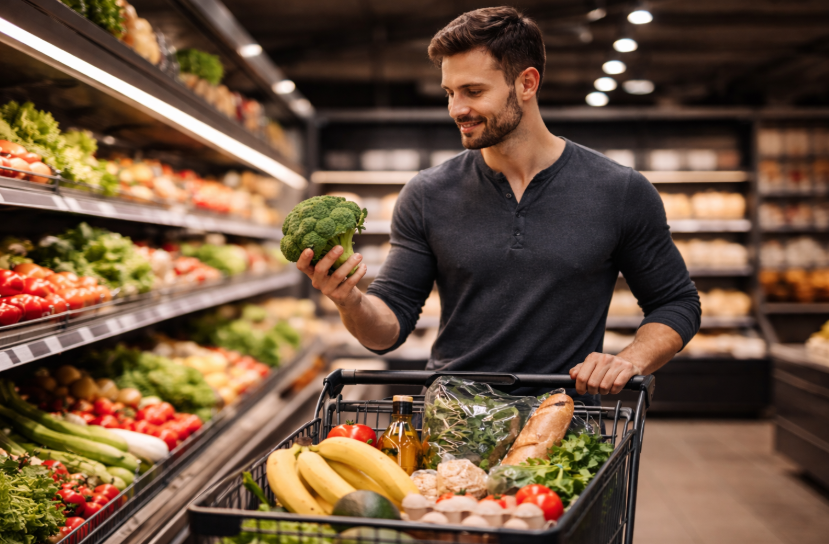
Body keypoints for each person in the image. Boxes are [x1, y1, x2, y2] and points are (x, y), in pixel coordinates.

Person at [296, 6, 701, 402]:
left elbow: (676, 302)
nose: (457, 109)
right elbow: (387, 331)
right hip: (454, 425)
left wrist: (630, 360)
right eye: (450, 93)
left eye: (474, 91)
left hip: (564, 426)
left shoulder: (620, 190)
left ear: (526, 83)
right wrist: (350, 300)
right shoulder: (426, 193)